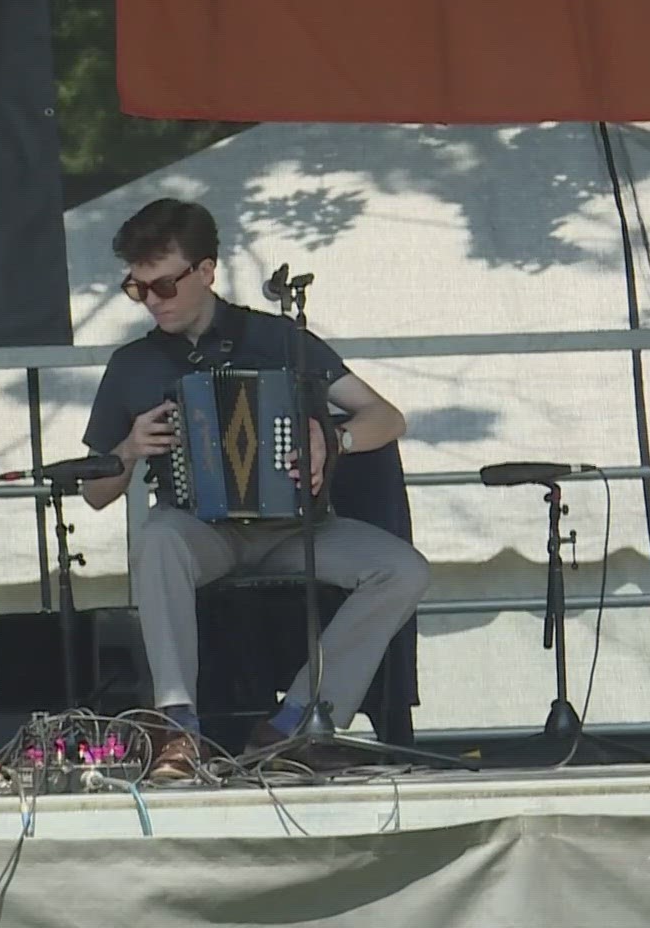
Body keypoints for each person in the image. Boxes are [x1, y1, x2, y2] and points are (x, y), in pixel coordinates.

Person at [77, 198, 429, 779]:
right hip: (202, 531)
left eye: (164, 285)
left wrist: (331, 441)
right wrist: (130, 449)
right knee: (159, 538)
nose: (153, 301)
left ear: (207, 270)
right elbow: (95, 492)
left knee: (404, 569)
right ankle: (179, 729)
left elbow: (386, 416)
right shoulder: (133, 365)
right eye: (137, 289)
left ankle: (293, 723)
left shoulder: (279, 340)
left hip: (297, 526)